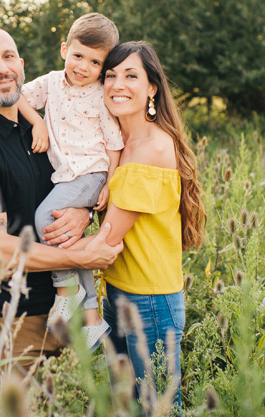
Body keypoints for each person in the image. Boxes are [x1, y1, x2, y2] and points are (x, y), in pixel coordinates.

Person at [0, 26, 124, 369]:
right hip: (14, 315)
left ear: (22, 65)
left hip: (66, 310)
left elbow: (76, 182)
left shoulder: (43, 128)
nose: (1, 69)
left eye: (8, 57)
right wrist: (85, 258)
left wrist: (85, 212)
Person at [96, 41, 206, 407]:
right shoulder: (115, 141)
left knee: (155, 409)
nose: (117, 85)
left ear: (152, 88)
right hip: (116, 292)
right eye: (110, 75)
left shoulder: (153, 148)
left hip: (150, 299)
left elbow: (105, 242)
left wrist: (28, 254)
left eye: (131, 75)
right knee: (124, 404)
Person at [15, 13, 123, 349]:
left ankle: (66, 293)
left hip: (90, 173)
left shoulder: (100, 95)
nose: (83, 66)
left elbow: (113, 144)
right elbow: (18, 95)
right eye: (78, 55)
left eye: (95, 62)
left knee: (46, 219)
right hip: (66, 177)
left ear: (103, 68)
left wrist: (108, 183)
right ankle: (91, 317)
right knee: (63, 230)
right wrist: (37, 122)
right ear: (64, 49)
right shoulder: (49, 83)